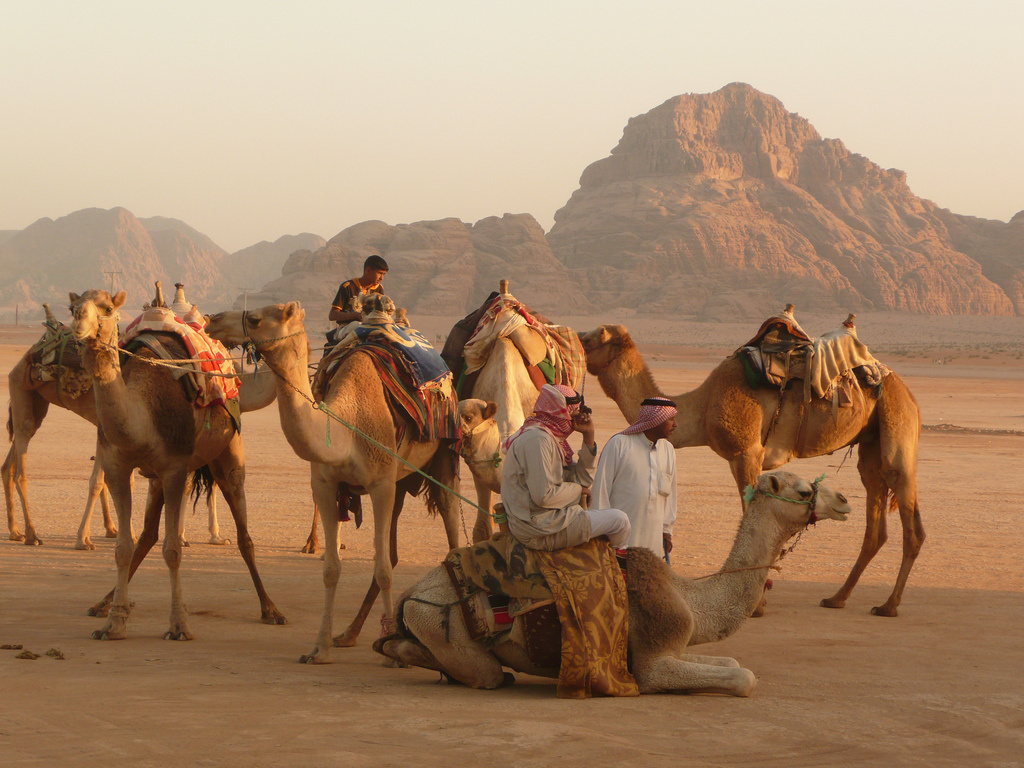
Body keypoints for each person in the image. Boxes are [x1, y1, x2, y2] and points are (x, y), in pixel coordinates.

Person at [500, 384, 631, 551]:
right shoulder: (538, 440)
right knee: (620, 521)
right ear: (563, 412)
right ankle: (621, 573)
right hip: (539, 528)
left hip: (548, 520)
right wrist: (578, 492)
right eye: (574, 414)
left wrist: (588, 437)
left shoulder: (550, 438)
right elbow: (544, 497)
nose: (576, 420)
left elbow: (582, 480)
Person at [591, 397, 678, 559]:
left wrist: (667, 530)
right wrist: (601, 535)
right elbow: (601, 491)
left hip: (654, 544)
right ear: (655, 420)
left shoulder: (668, 450)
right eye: (671, 419)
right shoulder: (619, 444)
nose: (675, 425)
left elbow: (670, 495)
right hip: (620, 544)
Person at [329, 255, 389, 325]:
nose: (381, 278)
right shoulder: (348, 287)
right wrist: (355, 316)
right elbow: (332, 315)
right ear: (368, 270)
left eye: (383, 274)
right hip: (347, 328)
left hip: (369, 327)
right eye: (379, 273)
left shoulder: (379, 289)